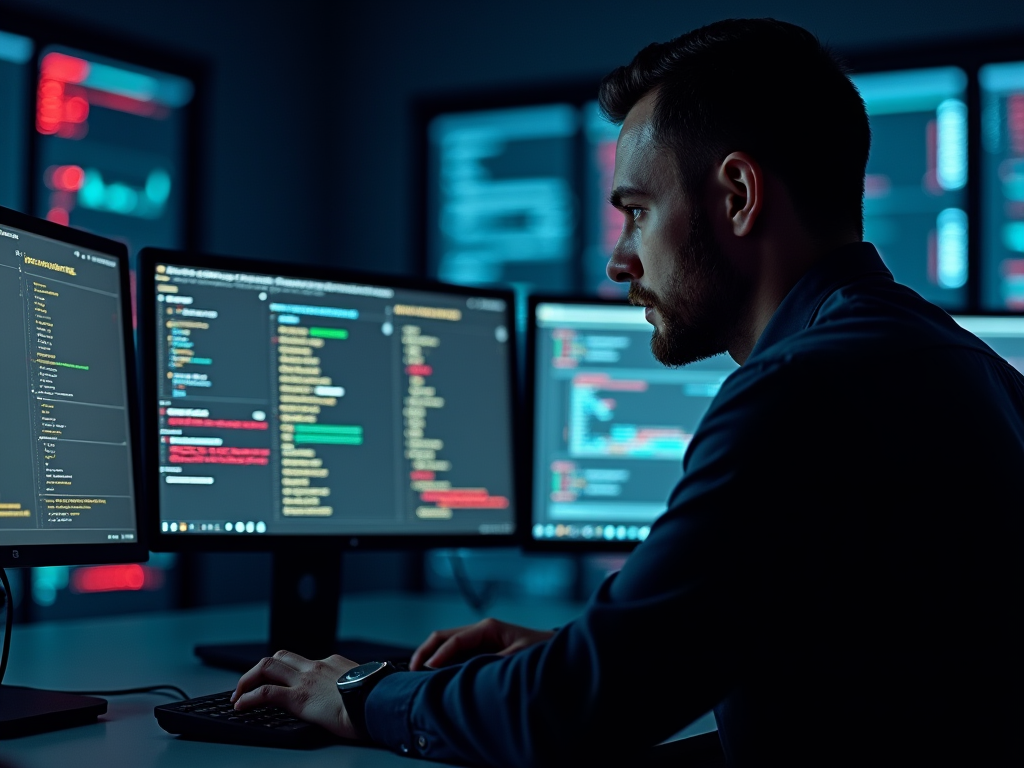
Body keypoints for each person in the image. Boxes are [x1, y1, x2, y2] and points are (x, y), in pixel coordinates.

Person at [231, 19, 1023, 767]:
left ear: (739, 195)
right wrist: (601, 653)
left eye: (637, 213)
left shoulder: (795, 393)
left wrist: (363, 692)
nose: (618, 262)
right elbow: (860, 658)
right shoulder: (965, 364)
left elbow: (565, 715)